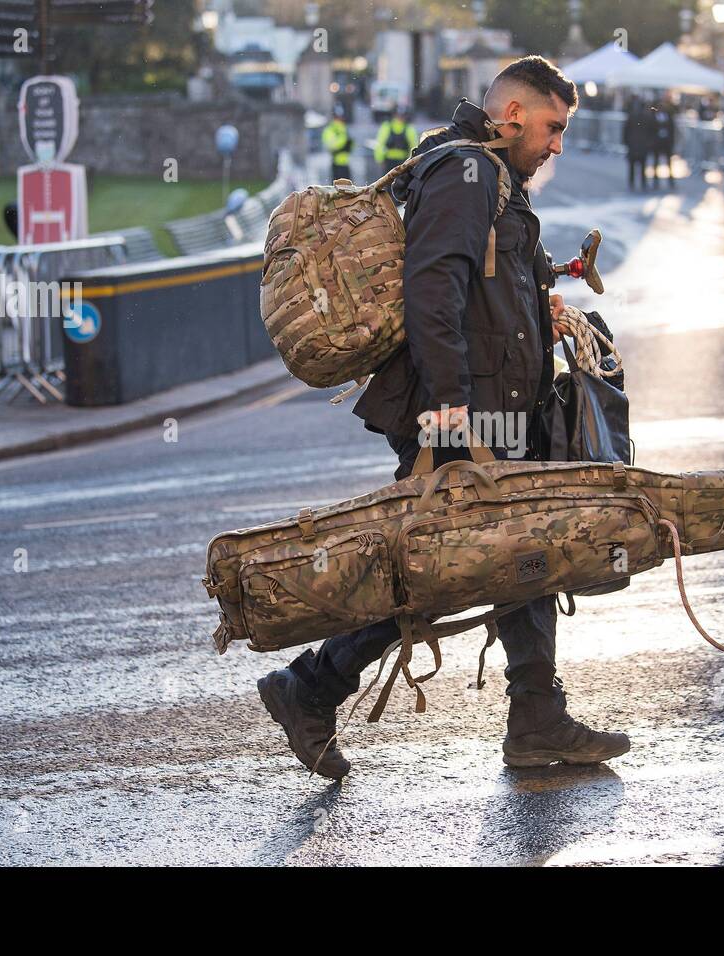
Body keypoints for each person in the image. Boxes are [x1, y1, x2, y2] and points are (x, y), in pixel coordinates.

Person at [257, 56, 630, 780]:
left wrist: (543, 294)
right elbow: (434, 291)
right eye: (553, 128)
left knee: (526, 552)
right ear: (515, 113)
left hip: (491, 408)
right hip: (464, 414)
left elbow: (484, 284)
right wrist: (452, 409)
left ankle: (534, 714)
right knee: (429, 568)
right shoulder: (466, 174)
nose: (557, 144)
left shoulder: (485, 173)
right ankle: (309, 686)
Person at [373, 110, 418, 174]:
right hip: (394, 161)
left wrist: (379, 159)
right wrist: (380, 159)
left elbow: (413, 146)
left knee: (389, 182)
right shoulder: (387, 126)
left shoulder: (408, 128)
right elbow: (380, 144)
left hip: (402, 162)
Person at [622, 98, 649, 191]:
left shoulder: (632, 116)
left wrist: (626, 142)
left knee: (634, 166)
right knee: (640, 166)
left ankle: (633, 182)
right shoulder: (644, 117)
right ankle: (641, 183)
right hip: (639, 145)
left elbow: (625, 131)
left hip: (635, 145)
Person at [322, 104, 354, 182]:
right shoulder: (331, 129)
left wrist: (349, 144)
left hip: (346, 163)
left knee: (348, 189)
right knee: (339, 189)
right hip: (337, 164)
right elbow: (332, 145)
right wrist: (344, 141)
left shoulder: (343, 128)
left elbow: (350, 144)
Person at [650, 103, 674, 188]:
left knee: (668, 162)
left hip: (666, 142)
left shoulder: (668, 117)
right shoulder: (654, 118)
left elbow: (672, 129)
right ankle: (655, 181)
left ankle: (671, 180)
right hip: (657, 143)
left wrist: (671, 141)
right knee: (656, 161)